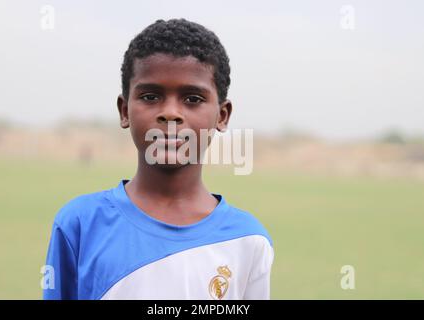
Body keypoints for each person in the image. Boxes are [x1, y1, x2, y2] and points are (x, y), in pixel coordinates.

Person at [43, 18, 274, 300]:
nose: (171, 113)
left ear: (222, 115)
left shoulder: (247, 239)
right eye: (151, 96)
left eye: (192, 98)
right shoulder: (80, 223)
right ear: (124, 110)